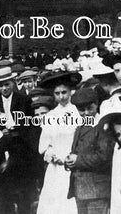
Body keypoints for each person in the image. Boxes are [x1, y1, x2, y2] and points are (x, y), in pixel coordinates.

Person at [0, 66, 37, 214]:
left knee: (23, 191)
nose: (4, 88)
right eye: (0, 86)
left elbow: (30, 125)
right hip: (1, 150)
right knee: (4, 191)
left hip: (21, 150)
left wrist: (15, 131)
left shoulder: (24, 100)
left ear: (13, 83)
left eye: (7, 84)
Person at [37, 71, 83, 214]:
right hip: (56, 168)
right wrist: (52, 156)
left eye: (64, 92)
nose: (61, 96)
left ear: (71, 92)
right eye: (57, 93)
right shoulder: (50, 116)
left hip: (74, 165)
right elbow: (43, 147)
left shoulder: (78, 112)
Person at [66, 88, 113, 214]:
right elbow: (77, 151)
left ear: (97, 105)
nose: (86, 113)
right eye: (82, 110)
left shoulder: (103, 127)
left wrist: (78, 160)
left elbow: (104, 157)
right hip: (80, 188)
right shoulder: (80, 127)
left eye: (90, 108)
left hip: (97, 190)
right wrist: (69, 160)